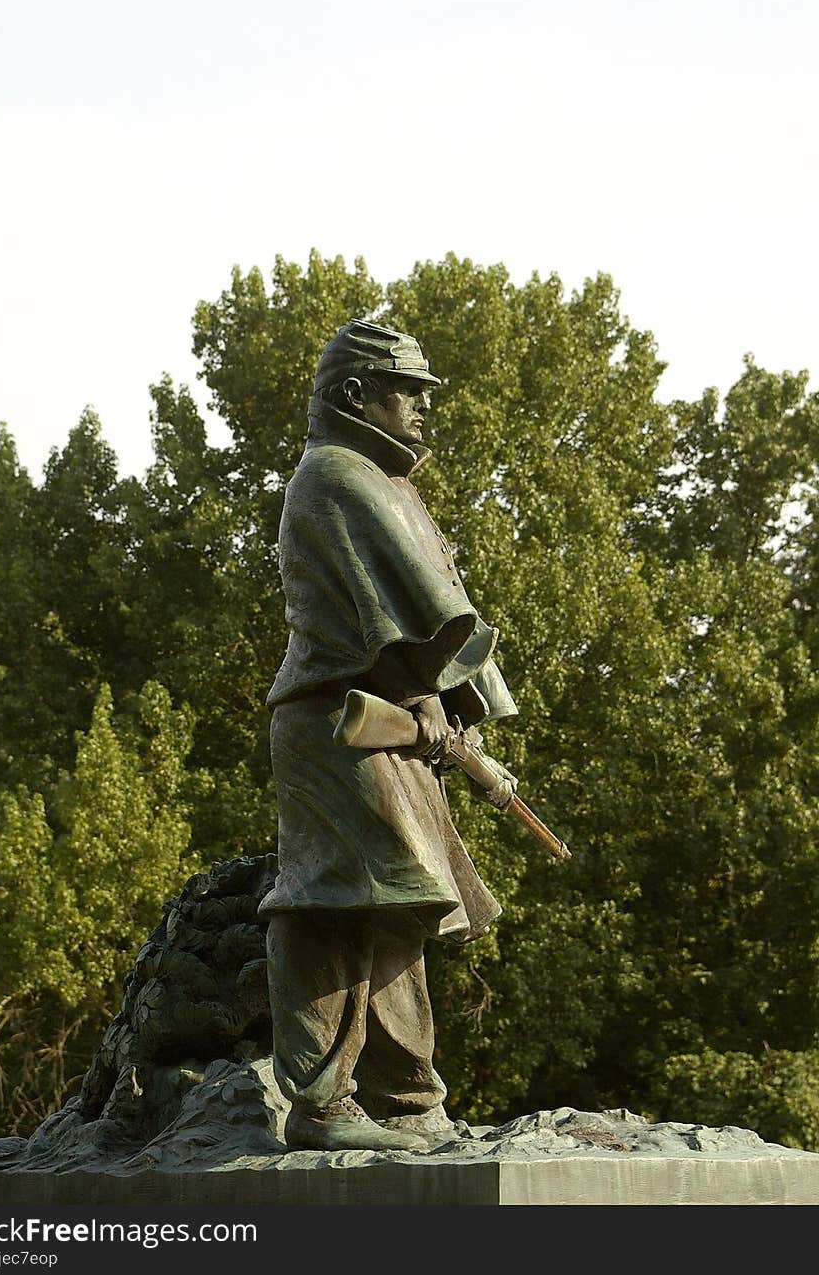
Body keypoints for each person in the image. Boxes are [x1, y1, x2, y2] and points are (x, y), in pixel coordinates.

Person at [259, 318, 518, 1151]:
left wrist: (450, 722)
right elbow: (393, 625)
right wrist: (432, 707)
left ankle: (409, 1100)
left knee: (402, 903)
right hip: (337, 722)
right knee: (332, 900)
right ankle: (323, 1102)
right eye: (407, 391)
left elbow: (421, 628)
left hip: (384, 724)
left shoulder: (380, 479)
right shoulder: (336, 475)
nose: (421, 408)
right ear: (353, 395)